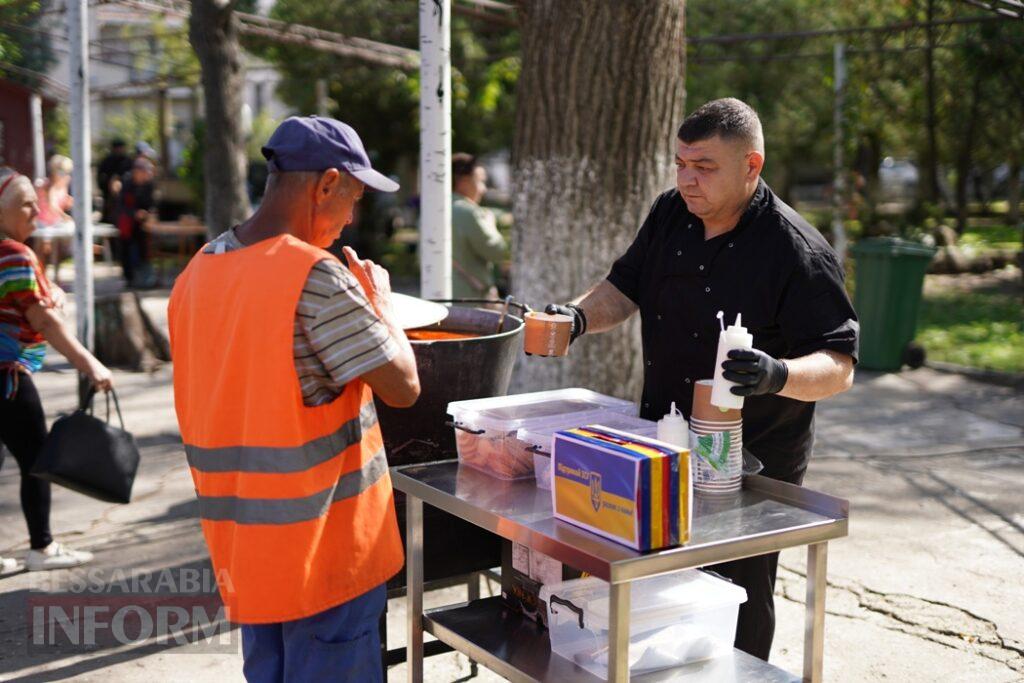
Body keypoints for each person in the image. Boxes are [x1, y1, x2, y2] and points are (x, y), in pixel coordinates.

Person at [544, 98, 858, 661]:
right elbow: (623, 287)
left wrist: (776, 373)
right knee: (658, 589)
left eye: (705, 167)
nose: (687, 180)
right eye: (681, 163)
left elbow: (838, 366)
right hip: (663, 442)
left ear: (752, 166)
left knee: (735, 592)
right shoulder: (670, 213)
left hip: (753, 461)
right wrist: (577, 317)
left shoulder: (797, 251)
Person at [168, 116, 419, 682]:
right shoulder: (314, 277)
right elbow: (404, 386)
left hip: (248, 558)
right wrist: (380, 302)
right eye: (353, 196)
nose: (352, 217)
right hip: (327, 555)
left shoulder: (199, 272)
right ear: (326, 184)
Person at [0, 167, 114, 575]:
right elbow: (45, 323)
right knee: (37, 458)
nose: (37, 210)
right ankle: (41, 548)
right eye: (25, 203)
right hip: (9, 377)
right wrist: (90, 364)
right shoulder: (14, 254)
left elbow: (28, 305)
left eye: (36, 200)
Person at [451, 153, 507, 299]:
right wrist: (491, 225)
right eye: (480, 181)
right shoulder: (469, 212)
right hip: (470, 299)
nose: (483, 189)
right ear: (463, 181)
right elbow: (497, 251)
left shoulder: (434, 209)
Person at [116, 158, 156, 288]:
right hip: (127, 222)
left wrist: (150, 213)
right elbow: (121, 206)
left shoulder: (149, 185)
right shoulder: (127, 184)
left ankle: (145, 280)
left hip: (143, 224)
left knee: (144, 250)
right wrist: (134, 213)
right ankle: (129, 279)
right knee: (126, 251)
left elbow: (151, 203)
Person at [97, 139, 132, 224]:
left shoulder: (127, 161)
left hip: (125, 193)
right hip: (108, 194)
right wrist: (108, 186)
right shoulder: (106, 161)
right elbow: (101, 177)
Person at [35, 155, 74, 227]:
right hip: (43, 223)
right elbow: (52, 206)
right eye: (61, 173)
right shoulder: (48, 186)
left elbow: (63, 202)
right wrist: (65, 216)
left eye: (68, 173)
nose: (66, 176)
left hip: (55, 222)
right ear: (54, 173)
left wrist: (68, 202)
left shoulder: (62, 187)